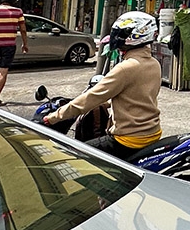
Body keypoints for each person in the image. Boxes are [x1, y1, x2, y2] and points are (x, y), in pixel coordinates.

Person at [43, 11, 162, 160]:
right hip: (152, 132)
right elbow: (136, 97)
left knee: (74, 155)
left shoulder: (126, 68)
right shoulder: (154, 64)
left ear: (136, 36)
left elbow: (92, 97)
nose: (117, 38)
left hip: (128, 139)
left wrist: (54, 117)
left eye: (121, 34)